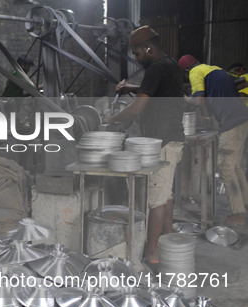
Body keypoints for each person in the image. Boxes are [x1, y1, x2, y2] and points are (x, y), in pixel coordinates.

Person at [103, 26, 186, 264]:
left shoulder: (155, 68)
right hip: (174, 138)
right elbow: (157, 91)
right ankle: (167, 238)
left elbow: (137, 109)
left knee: (155, 199)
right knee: (166, 193)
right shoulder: (169, 64)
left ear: (148, 48)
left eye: (138, 54)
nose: (137, 59)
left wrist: (112, 118)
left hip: (163, 141)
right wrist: (133, 88)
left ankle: (151, 254)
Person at [179, 54, 248, 226]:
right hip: (243, 118)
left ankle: (238, 213)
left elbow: (199, 101)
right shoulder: (214, 69)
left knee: (224, 165)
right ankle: (244, 203)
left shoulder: (195, 72)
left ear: (186, 71)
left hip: (232, 122)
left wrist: (184, 98)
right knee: (235, 165)